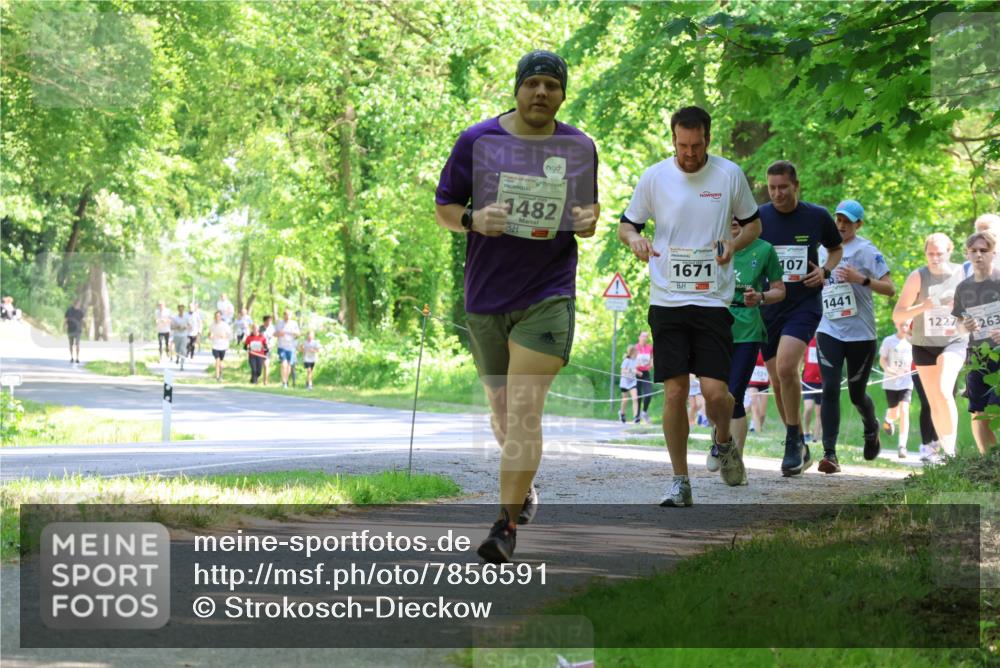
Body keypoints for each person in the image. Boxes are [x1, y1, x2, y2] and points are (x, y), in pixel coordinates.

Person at [435, 50, 600, 561]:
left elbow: (587, 210)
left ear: (563, 94)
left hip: (548, 293)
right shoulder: (478, 140)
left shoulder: (578, 146)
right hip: (487, 296)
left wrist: (588, 219)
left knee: (525, 410)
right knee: (504, 411)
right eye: (533, 83)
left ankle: (504, 527)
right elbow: (444, 207)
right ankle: (523, 489)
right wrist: (472, 220)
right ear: (517, 89)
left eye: (552, 84)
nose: (541, 92)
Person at [619, 105, 761, 504]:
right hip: (667, 298)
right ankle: (680, 480)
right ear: (673, 139)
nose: (689, 153)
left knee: (716, 394)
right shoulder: (655, 177)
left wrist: (733, 244)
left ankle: (723, 441)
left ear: (708, 140)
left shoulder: (729, 175)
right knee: (675, 391)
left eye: (696, 146)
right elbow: (627, 224)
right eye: (682, 145)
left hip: (713, 299)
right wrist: (635, 240)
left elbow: (754, 223)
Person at [758, 160, 843, 476]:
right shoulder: (759, 217)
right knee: (776, 379)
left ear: (796, 186)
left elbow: (835, 249)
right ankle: (797, 443)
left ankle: (793, 442)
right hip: (769, 306)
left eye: (783, 187)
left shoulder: (816, 216)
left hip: (804, 304)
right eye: (772, 188)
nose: (777, 193)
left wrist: (825, 271)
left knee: (786, 366)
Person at [813, 199, 894, 473]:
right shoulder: (822, 249)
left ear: (858, 224)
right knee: (830, 388)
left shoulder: (867, 250)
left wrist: (861, 279)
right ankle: (829, 454)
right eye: (838, 219)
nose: (841, 225)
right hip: (829, 329)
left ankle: (871, 428)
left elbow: (890, 289)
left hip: (861, 334)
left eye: (847, 221)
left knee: (857, 395)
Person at [707, 217, 785, 479]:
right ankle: (720, 440)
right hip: (715, 324)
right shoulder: (710, 245)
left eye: (739, 216)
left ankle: (733, 461)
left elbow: (780, 290)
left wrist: (761, 297)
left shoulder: (764, 249)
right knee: (713, 395)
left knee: (735, 394)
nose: (733, 221)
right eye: (728, 215)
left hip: (748, 328)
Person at [892, 233, 967, 460]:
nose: (935, 258)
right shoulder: (918, 276)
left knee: (944, 391)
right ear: (925, 253)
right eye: (930, 253)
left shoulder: (962, 273)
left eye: (939, 253)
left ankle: (951, 452)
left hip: (954, 341)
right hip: (924, 345)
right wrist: (922, 307)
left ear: (949, 252)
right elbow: (898, 315)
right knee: (934, 400)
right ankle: (943, 451)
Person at [952, 231, 1000, 454]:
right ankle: (989, 461)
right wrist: (966, 326)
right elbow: (958, 326)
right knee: (978, 413)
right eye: (974, 251)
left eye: (984, 250)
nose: (979, 255)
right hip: (977, 356)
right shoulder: (963, 288)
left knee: (994, 409)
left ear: (993, 253)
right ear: (967, 254)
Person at [880, 320, 914, 458]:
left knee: (904, 410)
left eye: (906, 325)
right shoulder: (889, 341)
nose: (904, 327)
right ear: (896, 325)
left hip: (906, 382)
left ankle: (902, 446)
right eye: (901, 325)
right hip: (891, 382)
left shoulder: (912, 341)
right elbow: (882, 359)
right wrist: (889, 370)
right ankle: (888, 420)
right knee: (894, 412)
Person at [801, 336, 823, 444]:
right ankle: (806, 432)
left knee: (820, 412)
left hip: (822, 382)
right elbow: (800, 360)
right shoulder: (808, 341)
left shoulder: (826, 342)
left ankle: (816, 437)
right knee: (808, 407)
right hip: (808, 381)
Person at [275, 309, 301, 388]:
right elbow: (274, 333)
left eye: (289, 314)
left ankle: (285, 381)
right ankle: (284, 382)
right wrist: (279, 334)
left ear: (291, 315)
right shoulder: (279, 323)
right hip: (282, 346)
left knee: (289, 366)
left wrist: (293, 333)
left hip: (291, 347)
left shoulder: (294, 323)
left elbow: (298, 334)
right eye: (286, 314)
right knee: (284, 364)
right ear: (284, 315)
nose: (287, 316)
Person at [634, 331, 654, 424]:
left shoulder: (650, 348)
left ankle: (644, 412)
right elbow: (630, 361)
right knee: (638, 396)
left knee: (648, 394)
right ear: (639, 337)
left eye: (646, 336)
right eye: (643, 336)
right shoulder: (635, 348)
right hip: (636, 373)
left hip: (645, 373)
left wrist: (652, 363)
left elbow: (652, 358)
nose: (644, 338)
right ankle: (637, 416)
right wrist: (636, 370)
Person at [747, 351, 770, 434]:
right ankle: (758, 433)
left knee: (762, 413)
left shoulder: (768, 349)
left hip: (764, 383)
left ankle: (758, 428)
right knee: (755, 408)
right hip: (752, 382)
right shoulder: (752, 348)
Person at [208, 310, 232, 382]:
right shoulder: (212, 325)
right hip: (215, 346)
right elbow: (209, 334)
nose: (217, 317)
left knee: (220, 362)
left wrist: (225, 336)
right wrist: (210, 336)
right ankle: (217, 376)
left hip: (223, 346)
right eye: (216, 316)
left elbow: (230, 335)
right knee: (217, 360)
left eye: (218, 316)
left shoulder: (225, 325)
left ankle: (220, 373)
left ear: (221, 317)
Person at [619, 345, 639, 424]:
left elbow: (635, 369)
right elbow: (622, 371)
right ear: (633, 352)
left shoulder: (636, 360)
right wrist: (632, 371)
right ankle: (622, 413)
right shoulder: (626, 360)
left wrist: (638, 372)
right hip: (625, 383)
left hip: (632, 382)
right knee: (625, 400)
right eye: (636, 351)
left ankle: (636, 417)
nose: (638, 353)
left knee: (635, 398)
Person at [169, 303, 189, 370]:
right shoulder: (175, 318)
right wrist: (177, 327)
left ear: (183, 310)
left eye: (182, 309)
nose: (181, 310)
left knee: (183, 350)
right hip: (177, 335)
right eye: (180, 309)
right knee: (177, 349)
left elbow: (190, 326)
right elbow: (171, 327)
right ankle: (177, 357)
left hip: (184, 335)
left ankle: (182, 365)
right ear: (178, 310)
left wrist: (185, 327)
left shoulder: (186, 317)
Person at [260, 315, 275, 386]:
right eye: (268, 321)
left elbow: (274, 339)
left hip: (268, 349)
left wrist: (271, 345)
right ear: (264, 321)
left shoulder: (272, 328)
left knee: (266, 365)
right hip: (260, 349)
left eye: (270, 321)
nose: (269, 322)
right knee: (259, 365)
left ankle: (265, 381)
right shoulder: (260, 328)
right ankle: (256, 379)